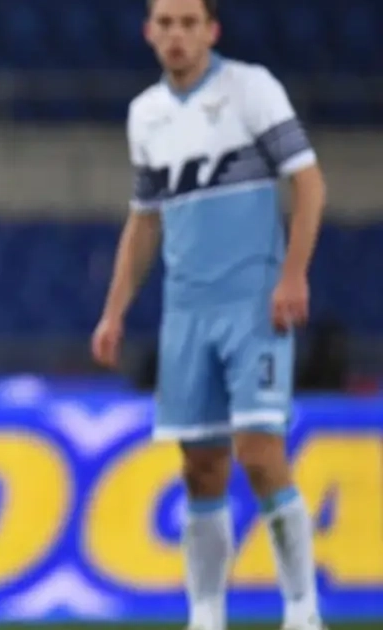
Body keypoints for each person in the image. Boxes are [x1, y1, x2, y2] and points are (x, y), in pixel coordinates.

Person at [91, 0, 327, 629]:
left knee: (259, 452)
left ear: (211, 30)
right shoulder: (146, 114)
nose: (176, 34)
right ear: (149, 32)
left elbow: (308, 183)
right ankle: (206, 615)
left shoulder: (251, 89)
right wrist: (114, 312)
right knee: (200, 467)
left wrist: (293, 273)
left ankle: (303, 611)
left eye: (188, 22)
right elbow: (145, 220)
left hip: (252, 306)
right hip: (186, 314)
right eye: (165, 23)